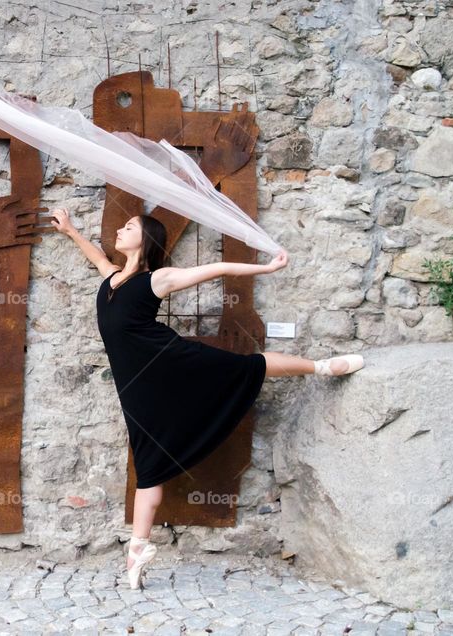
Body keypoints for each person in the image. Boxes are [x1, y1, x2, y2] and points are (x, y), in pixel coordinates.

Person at [50, 207, 365, 589]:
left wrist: (265, 269)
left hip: (172, 363)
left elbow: (216, 269)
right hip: (137, 387)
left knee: (248, 366)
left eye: (128, 226)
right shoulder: (113, 278)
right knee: (148, 463)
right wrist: (70, 230)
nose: (119, 229)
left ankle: (320, 366)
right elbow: (97, 257)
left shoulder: (158, 279)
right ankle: (138, 550)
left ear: (144, 239)